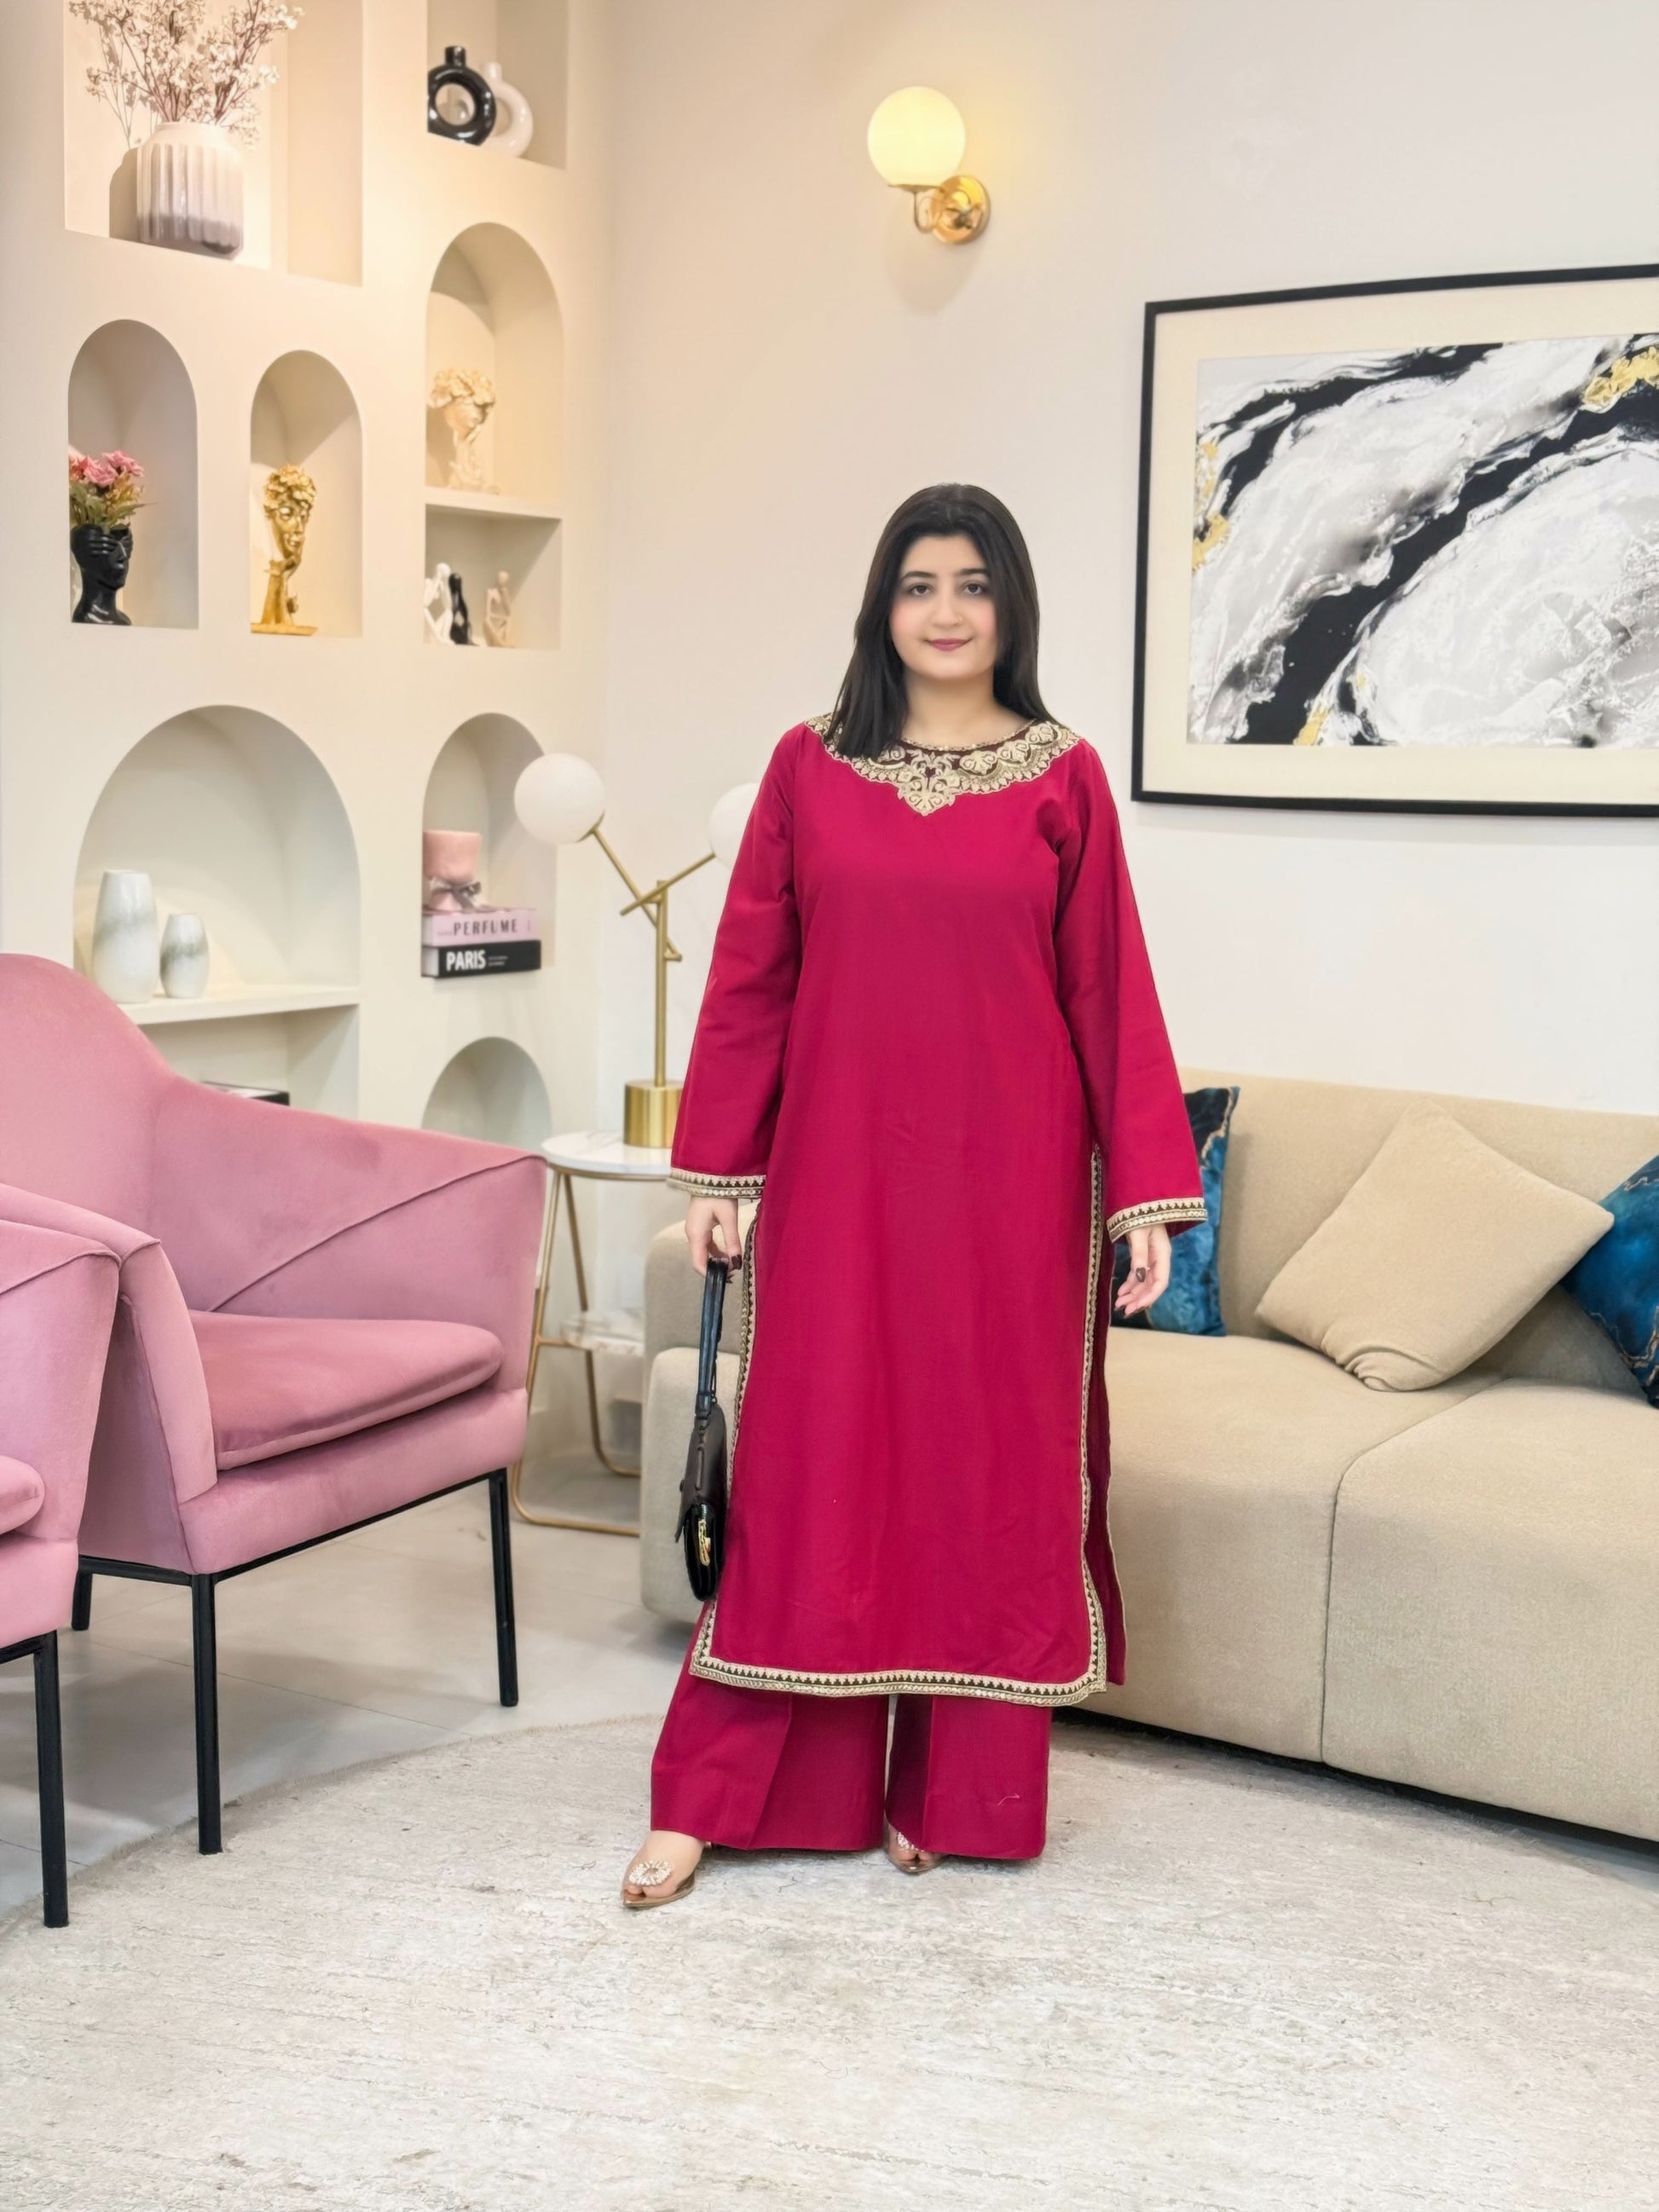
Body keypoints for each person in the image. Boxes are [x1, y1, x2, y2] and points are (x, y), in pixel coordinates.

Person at [622, 483, 1205, 1908]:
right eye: (919, 585)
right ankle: (717, 1798)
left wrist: (1140, 1196)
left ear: (1011, 607)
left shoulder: (1064, 778)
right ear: (882, 606)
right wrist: (720, 1169)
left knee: (977, 1479)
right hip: (835, 1178)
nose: (946, 613)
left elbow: (1109, 992)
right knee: (808, 1473)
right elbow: (750, 977)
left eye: (973, 585)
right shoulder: (809, 766)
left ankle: (952, 1789)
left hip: (1013, 1191)